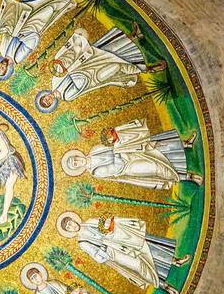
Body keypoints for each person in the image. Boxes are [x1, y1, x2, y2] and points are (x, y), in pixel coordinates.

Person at [55, 211, 190, 294]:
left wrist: (110, 227)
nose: (72, 226)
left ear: (74, 220)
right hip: (114, 252)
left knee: (147, 247)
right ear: (69, 231)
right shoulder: (82, 242)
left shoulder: (90, 221)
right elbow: (96, 255)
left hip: (120, 238)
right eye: (69, 227)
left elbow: (107, 221)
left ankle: (175, 261)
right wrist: (105, 248)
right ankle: (164, 286)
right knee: (138, 266)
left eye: (71, 223)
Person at [36, 27, 160, 109]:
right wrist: (69, 71)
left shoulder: (54, 82)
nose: (48, 100)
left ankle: (134, 35)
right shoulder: (66, 96)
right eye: (48, 103)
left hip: (86, 63)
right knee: (116, 66)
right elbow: (81, 84)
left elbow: (62, 66)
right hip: (94, 76)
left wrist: (65, 65)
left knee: (109, 49)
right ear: (52, 104)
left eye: (45, 99)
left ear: (44, 95)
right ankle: (146, 69)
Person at [64, 120, 201, 189]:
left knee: (155, 145)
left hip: (126, 151)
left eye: (76, 159)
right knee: (155, 168)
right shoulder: (95, 172)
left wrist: (115, 139)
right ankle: (188, 177)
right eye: (76, 164)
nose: (78, 161)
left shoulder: (94, 150)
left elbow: (110, 146)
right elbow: (116, 168)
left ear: (78, 155)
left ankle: (185, 144)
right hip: (128, 166)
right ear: (78, 168)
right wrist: (118, 150)